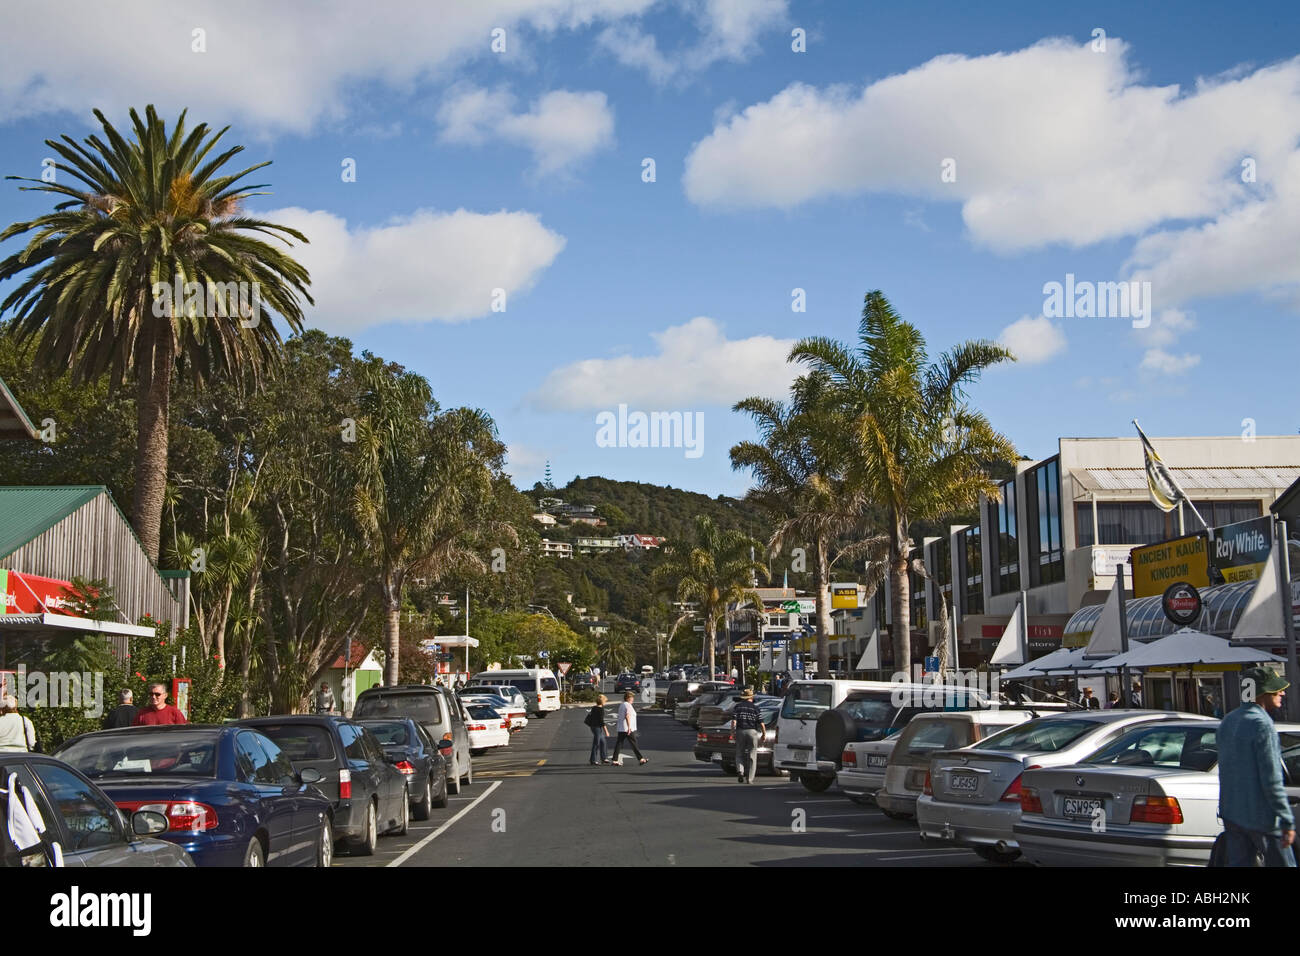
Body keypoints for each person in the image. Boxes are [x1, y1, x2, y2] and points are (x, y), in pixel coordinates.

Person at [1217, 668, 1295, 867]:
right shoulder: (1262, 724)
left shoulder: (1229, 721)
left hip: (1231, 812)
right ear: (1262, 693)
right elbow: (1272, 778)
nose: (1282, 693)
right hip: (1261, 815)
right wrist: (1286, 818)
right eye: (1276, 690)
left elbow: (1226, 771)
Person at [730, 687, 766, 784]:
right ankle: (750, 779)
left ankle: (740, 771)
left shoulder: (737, 707)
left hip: (740, 731)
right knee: (752, 755)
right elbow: (761, 723)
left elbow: (734, 721)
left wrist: (732, 732)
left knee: (739, 753)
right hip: (752, 732)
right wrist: (764, 734)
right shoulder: (755, 708)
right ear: (751, 697)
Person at [610, 692, 648, 766]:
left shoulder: (622, 704)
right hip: (627, 728)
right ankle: (641, 759)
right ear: (628, 698)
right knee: (634, 743)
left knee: (619, 743)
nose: (633, 699)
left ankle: (614, 760)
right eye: (632, 697)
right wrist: (629, 727)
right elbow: (627, 716)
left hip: (622, 728)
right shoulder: (628, 705)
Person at [586, 694, 611, 765]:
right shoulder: (600, 710)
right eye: (605, 701)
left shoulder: (594, 708)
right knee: (596, 744)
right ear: (602, 701)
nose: (605, 703)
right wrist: (606, 731)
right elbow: (601, 721)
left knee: (603, 742)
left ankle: (604, 758)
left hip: (593, 727)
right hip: (597, 728)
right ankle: (593, 760)